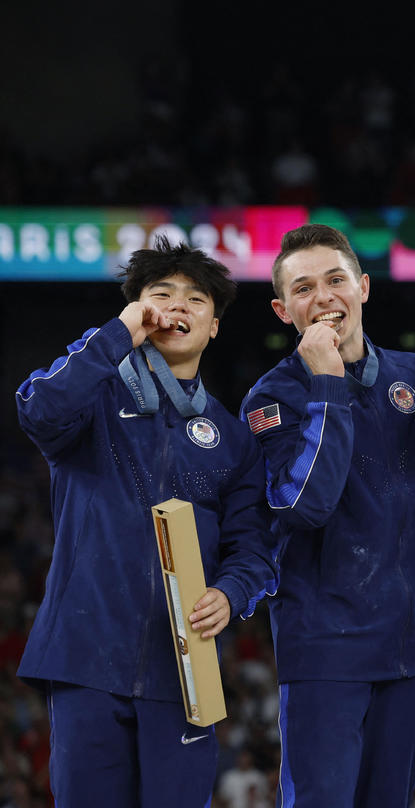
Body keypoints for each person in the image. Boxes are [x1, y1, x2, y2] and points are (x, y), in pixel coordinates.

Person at [14, 238, 278, 806]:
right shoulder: (93, 400)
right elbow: (38, 410)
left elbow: (253, 549)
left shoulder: (233, 440)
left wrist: (231, 594)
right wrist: (116, 336)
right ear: (136, 310)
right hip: (88, 658)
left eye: (196, 299)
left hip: (184, 668)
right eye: (162, 294)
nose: (178, 307)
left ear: (214, 328)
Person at [240, 224, 415, 807]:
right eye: (303, 288)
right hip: (325, 651)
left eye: (335, 280)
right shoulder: (271, 400)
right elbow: (306, 503)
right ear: (281, 308)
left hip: (413, 648)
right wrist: (328, 383)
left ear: (363, 287)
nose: (322, 298)